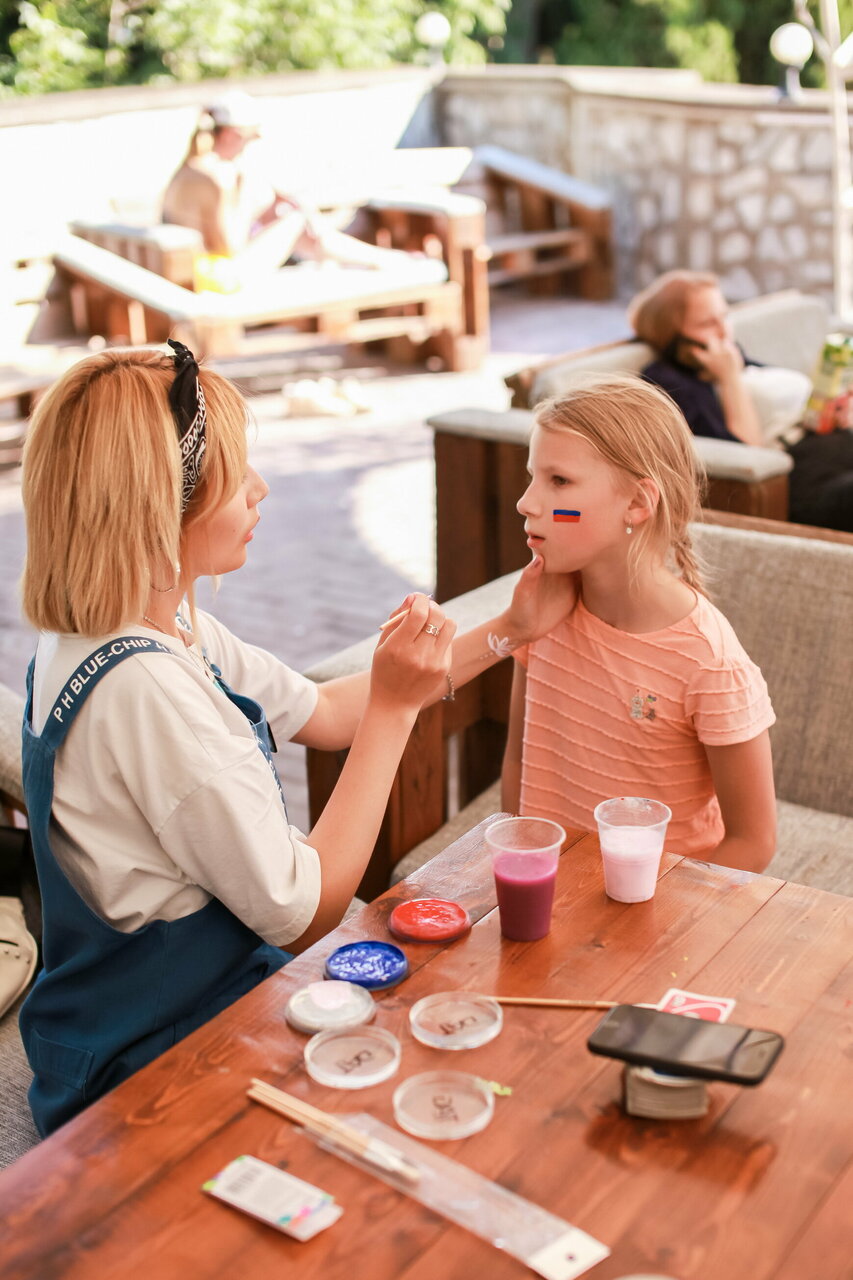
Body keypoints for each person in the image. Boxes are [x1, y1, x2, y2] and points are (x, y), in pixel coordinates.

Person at [18, 342, 569, 1136]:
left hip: (124, 1014)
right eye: (238, 474)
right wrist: (396, 714)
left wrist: (507, 631)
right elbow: (305, 912)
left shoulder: (140, 624)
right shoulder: (144, 689)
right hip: (154, 1061)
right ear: (159, 505)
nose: (260, 489)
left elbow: (325, 712)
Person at [501, 373, 777, 872]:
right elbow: (520, 764)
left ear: (636, 503)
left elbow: (753, 841)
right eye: (532, 476)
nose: (527, 502)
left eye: (558, 481)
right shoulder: (538, 614)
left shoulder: (709, 662)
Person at [629, 269, 853, 533]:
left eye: (724, 316)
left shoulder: (738, 357)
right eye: (707, 324)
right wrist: (729, 377)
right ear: (674, 336)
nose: (724, 331)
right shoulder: (673, 381)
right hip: (802, 473)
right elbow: (748, 451)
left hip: (833, 443)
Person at [162, 91, 419, 288]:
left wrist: (263, 215)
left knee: (293, 216)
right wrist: (253, 205)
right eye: (250, 139)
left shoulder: (187, 169)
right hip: (219, 280)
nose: (248, 148)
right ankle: (383, 261)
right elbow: (229, 248)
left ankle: (373, 260)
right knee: (295, 218)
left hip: (194, 273)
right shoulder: (221, 177)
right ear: (231, 135)